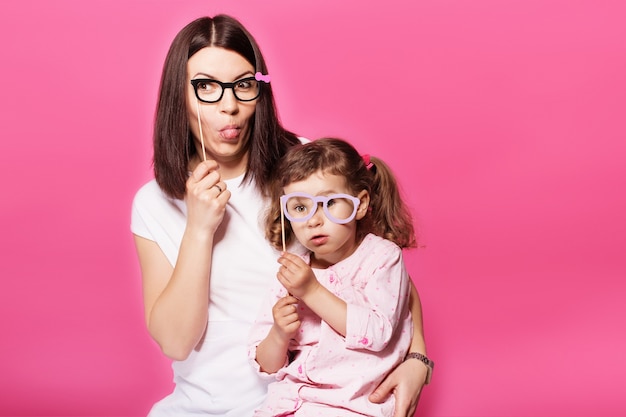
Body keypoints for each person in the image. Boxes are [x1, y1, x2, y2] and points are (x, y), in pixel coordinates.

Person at [131, 14, 432, 417]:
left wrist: (418, 359)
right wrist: (199, 230)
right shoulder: (154, 203)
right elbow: (175, 343)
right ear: (178, 96)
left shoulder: (304, 170)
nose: (230, 106)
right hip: (201, 407)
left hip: (319, 402)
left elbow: (381, 268)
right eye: (206, 87)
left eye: (243, 85)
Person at [248, 138, 419, 416]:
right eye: (300, 208)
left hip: (353, 405)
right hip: (290, 403)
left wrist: (312, 291)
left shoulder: (380, 258)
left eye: (329, 202)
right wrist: (279, 334)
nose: (313, 220)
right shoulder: (292, 273)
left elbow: (378, 333)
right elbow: (267, 366)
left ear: (360, 204)